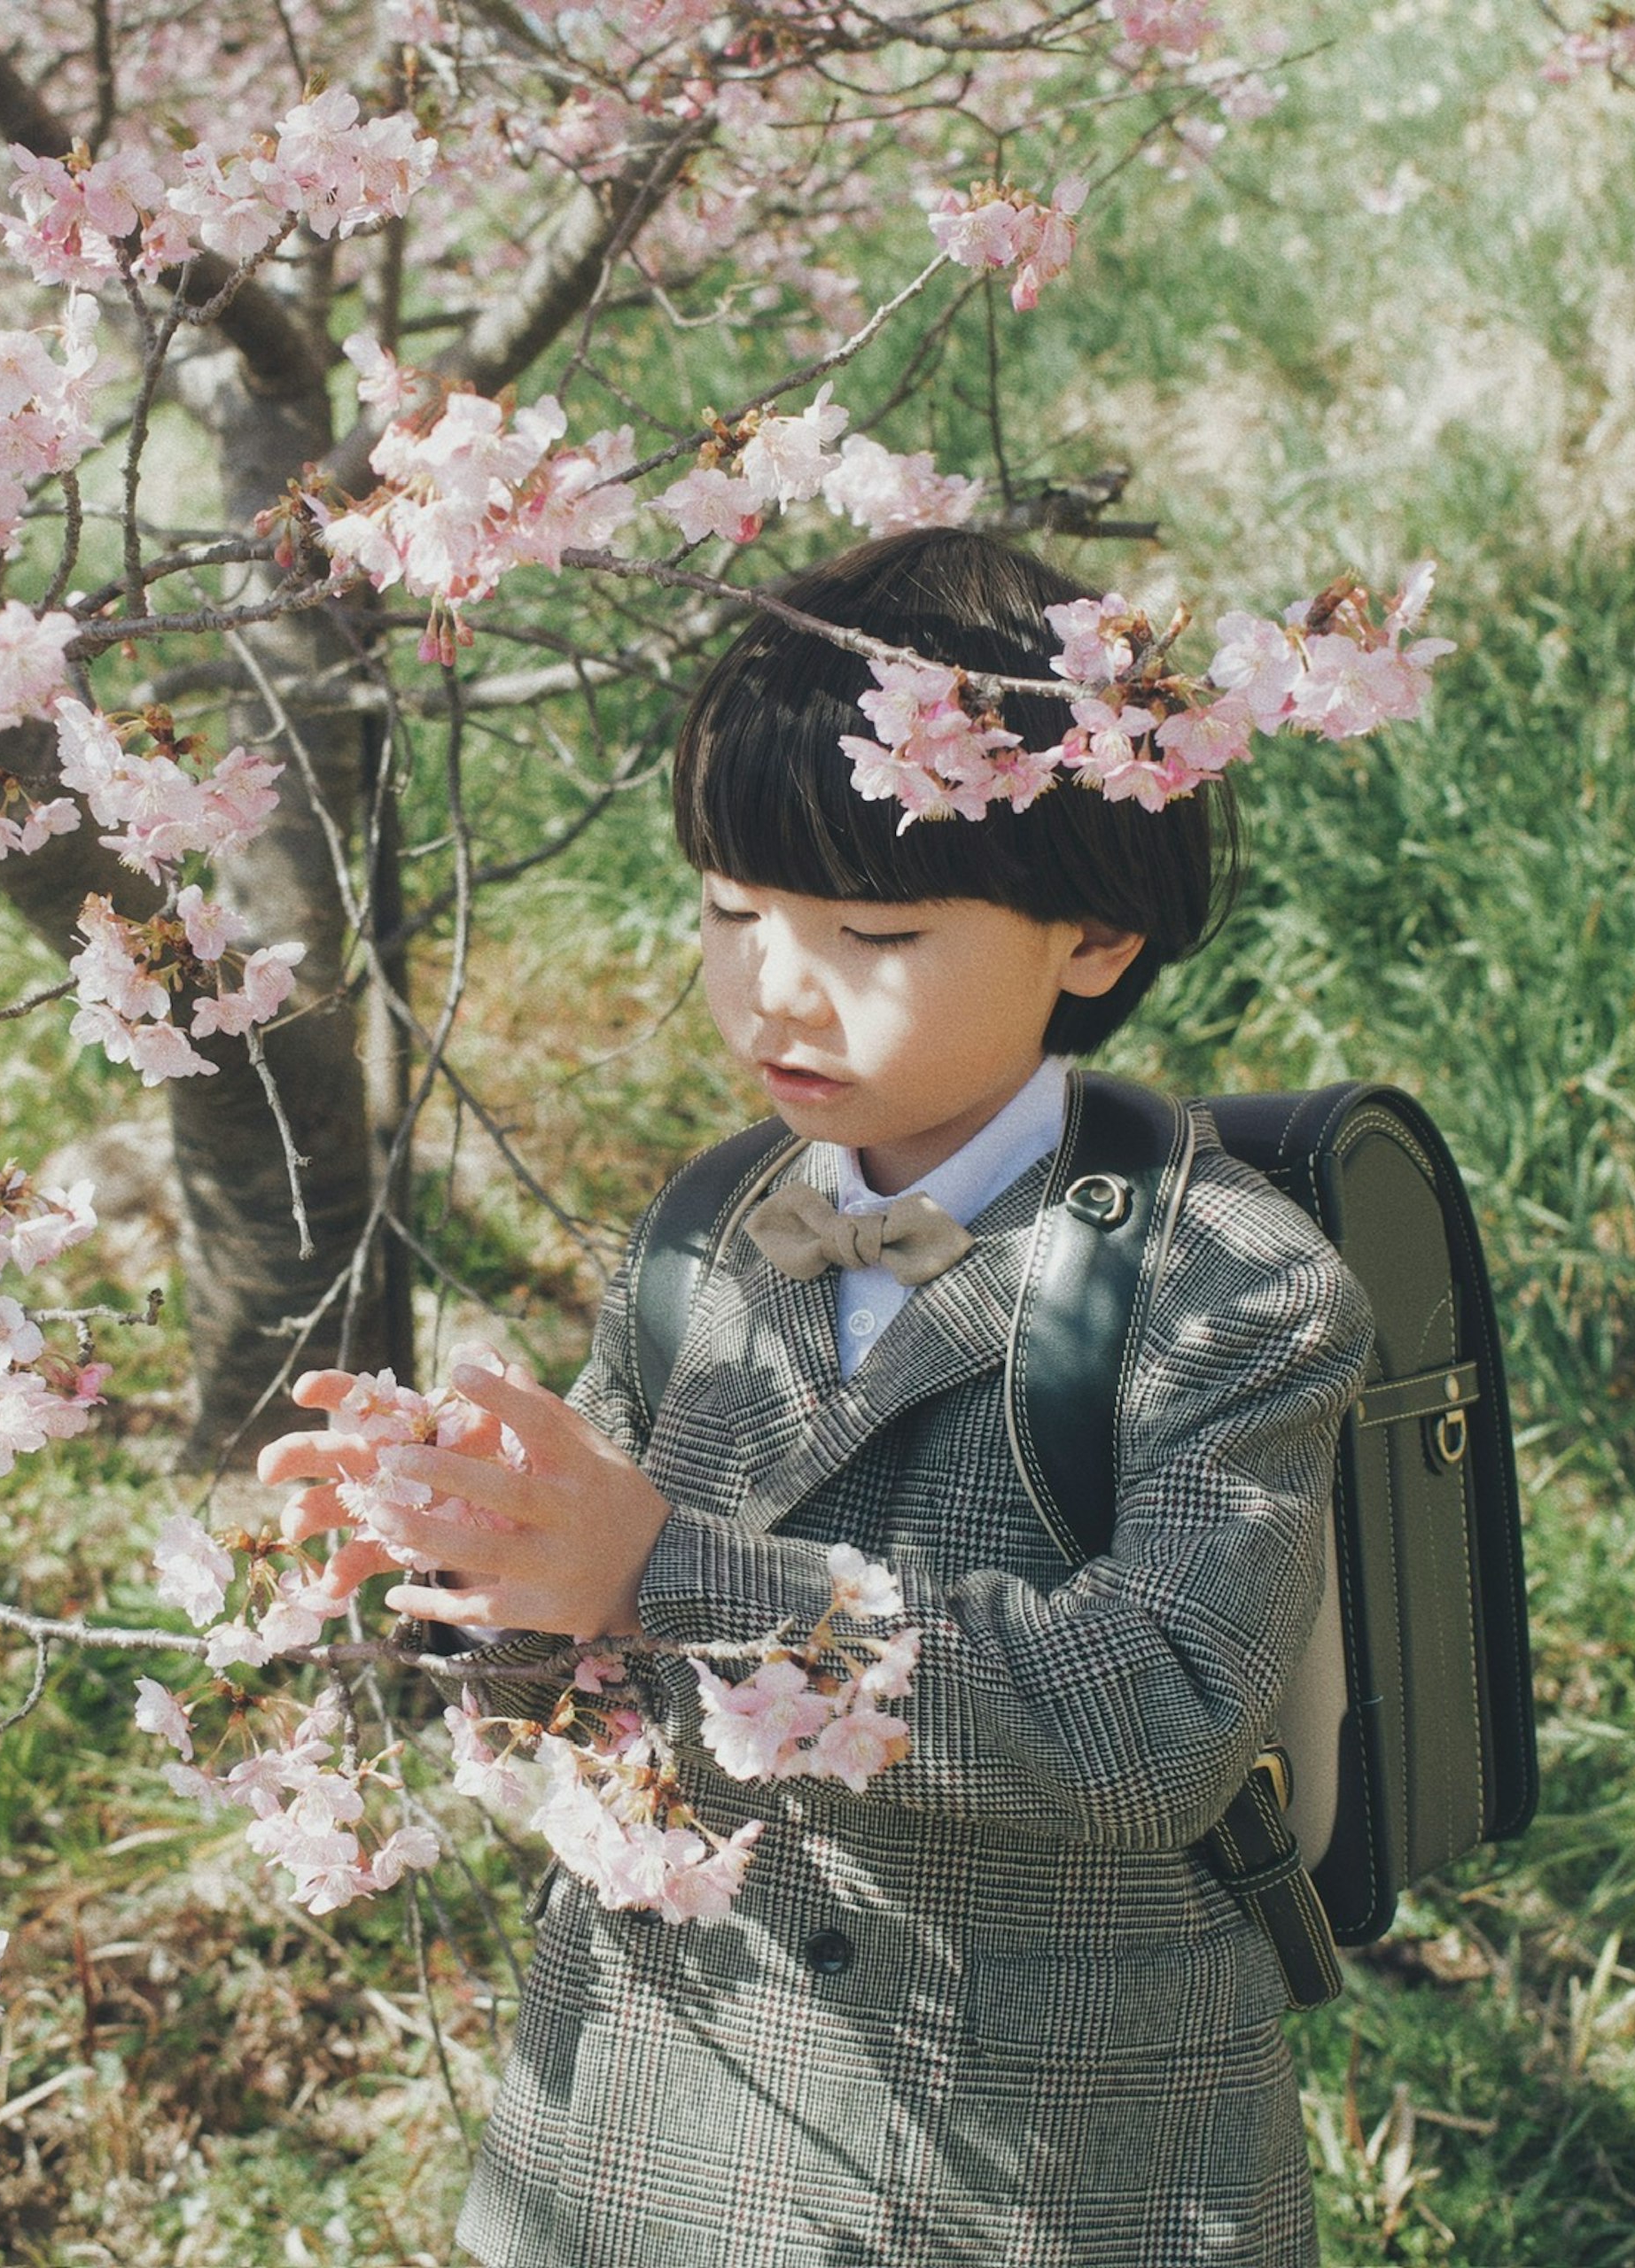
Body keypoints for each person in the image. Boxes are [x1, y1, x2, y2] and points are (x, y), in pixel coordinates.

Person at [257, 525, 1376, 2266]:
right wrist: (472, 1550)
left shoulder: (1223, 1278)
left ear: (1091, 935)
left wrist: (665, 1570)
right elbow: (585, 1636)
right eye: (727, 911)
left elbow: (1156, 1712)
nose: (771, 982)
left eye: (868, 927)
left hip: (1046, 2155)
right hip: (664, 2107)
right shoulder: (710, 1223)